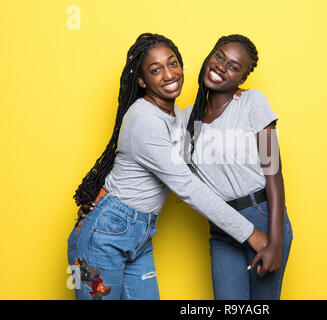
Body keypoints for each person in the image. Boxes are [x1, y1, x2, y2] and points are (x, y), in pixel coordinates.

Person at [68, 33, 267, 300]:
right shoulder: (143, 120)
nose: (168, 74)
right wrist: (251, 234)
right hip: (105, 233)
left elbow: (205, 125)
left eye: (173, 64)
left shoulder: (175, 117)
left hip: (139, 233)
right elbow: (187, 185)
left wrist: (233, 96)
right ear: (142, 81)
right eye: (155, 70)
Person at [182, 34, 293, 300]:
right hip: (222, 228)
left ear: (242, 78)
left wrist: (275, 243)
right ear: (210, 56)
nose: (221, 66)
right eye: (219, 56)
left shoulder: (252, 102)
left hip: (263, 218)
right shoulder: (186, 118)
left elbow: (274, 175)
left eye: (233, 66)